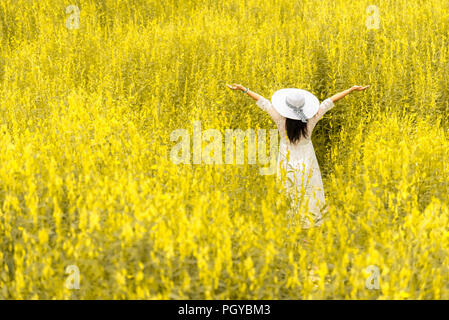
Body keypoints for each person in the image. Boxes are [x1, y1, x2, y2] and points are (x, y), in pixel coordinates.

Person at [226, 84, 370, 228]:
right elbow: (328, 102)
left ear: (286, 108)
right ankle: (310, 220)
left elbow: (264, 103)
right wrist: (350, 89)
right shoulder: (312, 118)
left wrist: (244, 89)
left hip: (286, 157)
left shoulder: (280, 119)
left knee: (288, 188)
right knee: (310, 187)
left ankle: (289, 221)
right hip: (307, 157)